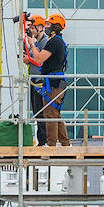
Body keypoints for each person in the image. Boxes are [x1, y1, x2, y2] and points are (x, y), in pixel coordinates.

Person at [26, 13, 69, 146]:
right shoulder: (56, 41)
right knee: (55, 113)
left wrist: (32, 45)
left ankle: (50, 144)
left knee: (50, 114)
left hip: (53, 82)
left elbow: (39, 59)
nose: (46, 27)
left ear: (55, 27)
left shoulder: (54, 41)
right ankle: (65, 142)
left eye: (48, 25)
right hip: (54, 81)